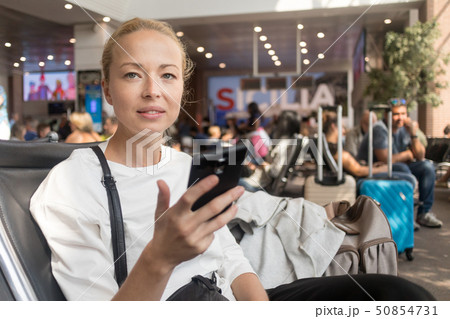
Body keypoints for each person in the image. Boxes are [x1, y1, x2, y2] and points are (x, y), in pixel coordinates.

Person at [30, 18, 434, 302]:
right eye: (133, 75)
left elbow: (230, 256)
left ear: (181, 90)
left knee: (395, 295)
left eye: (168, 75)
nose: (153, 90)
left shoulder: (185, 165)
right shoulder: (70, 184)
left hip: (228, 301)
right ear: (106, 89)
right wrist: (159, 258)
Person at [357, 98, 443, 228]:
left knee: (427, 166)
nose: (400, 118)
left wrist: (413, 134)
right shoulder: (379, 129)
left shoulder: (405, 129)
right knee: (403, 168)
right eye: (396, 114)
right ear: (387, 115)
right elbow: (385, 159)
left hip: (396, 167)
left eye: (403, 114)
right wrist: (407, 154)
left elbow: (420, 156)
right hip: (375, 170)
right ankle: (406, 214)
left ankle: (424, 213)